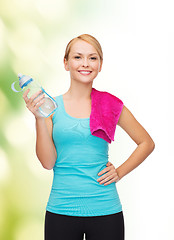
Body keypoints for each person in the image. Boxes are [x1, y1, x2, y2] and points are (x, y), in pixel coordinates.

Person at [22, 34, 155, 240]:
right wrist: (39, 118)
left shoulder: (111, 105)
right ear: (66, 63)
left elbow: (146, 142)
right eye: (77, 57)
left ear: (100, 65)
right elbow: (48, 163)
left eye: (93, 58)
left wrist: (119, 172)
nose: (85, 63)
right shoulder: (50, 108)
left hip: (106, 210)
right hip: (61, 210)